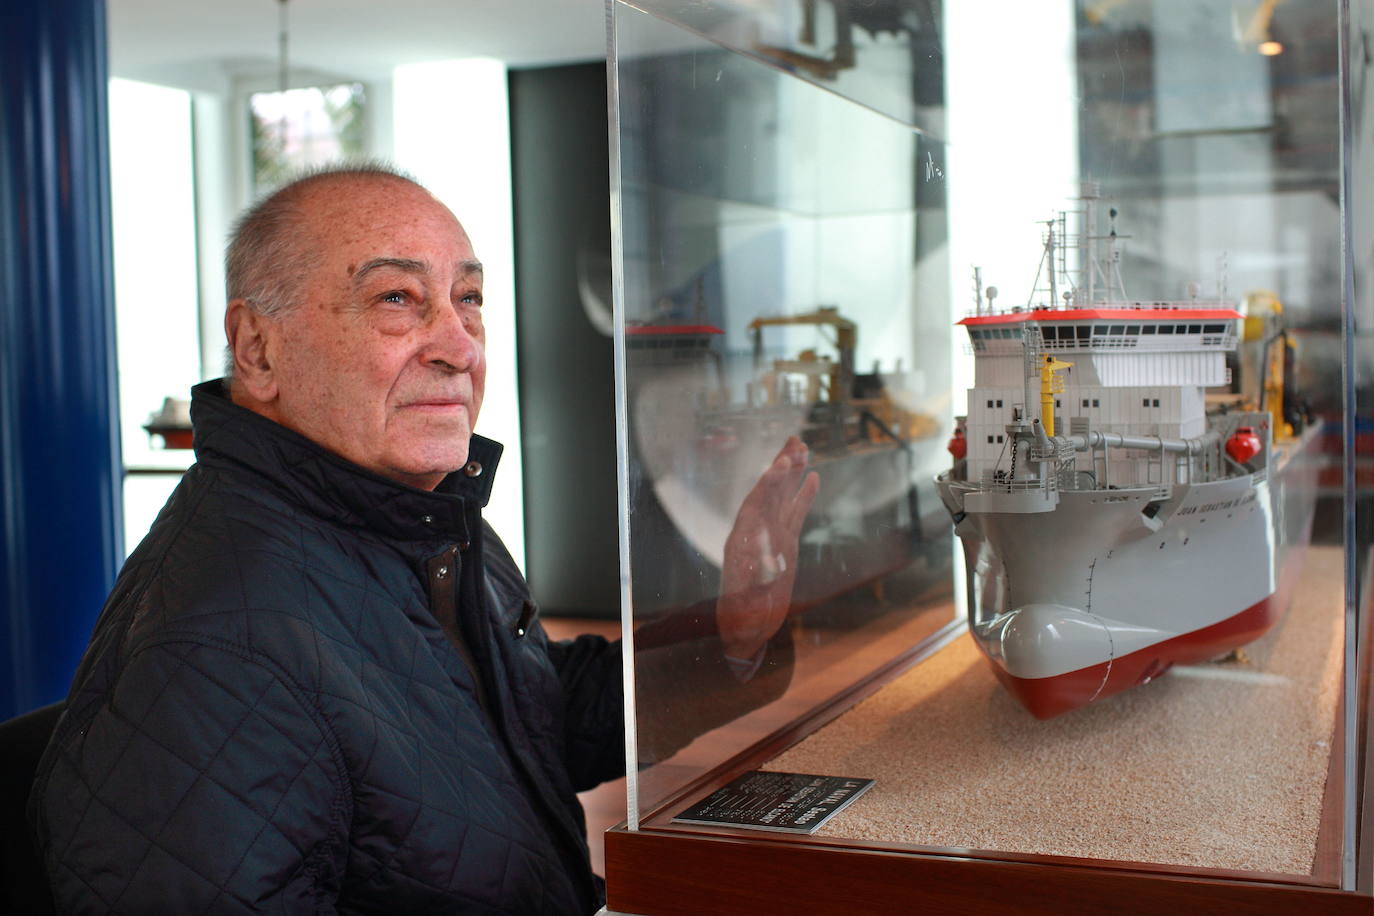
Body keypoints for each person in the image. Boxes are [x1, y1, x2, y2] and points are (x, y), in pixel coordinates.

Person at [29, 164, 817, 913]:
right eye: (398, 298)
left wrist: (731, 632)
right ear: (258, 348)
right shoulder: (216, 654)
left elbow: (528, 714)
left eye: (467, 297)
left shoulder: (413, 514)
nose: (461, 345)